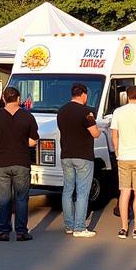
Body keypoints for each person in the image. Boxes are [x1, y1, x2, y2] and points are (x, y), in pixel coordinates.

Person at [0, 86, 39, 242]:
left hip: (1, 162)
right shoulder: (28, 117)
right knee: (21, 198)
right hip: (21, 161)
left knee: (3, 198)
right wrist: (20, 143)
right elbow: (33, 141)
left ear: (4, 99)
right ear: (19, 99)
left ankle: (4, 231)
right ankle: (21, 232)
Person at [57, 83, 101, 237]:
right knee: (82, 191)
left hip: (66, 155)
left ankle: (69, 225)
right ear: (83, 94)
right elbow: (95, 133)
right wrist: (99, 128)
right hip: (83, 156)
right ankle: (80, 227)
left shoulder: (61, 111)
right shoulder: (86, 111)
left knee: (68, 190)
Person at [111, 84, 136, 238]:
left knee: (124, 192)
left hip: (123, 156)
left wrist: (117, 151)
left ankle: (123, 228)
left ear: (127, 96)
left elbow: (114, 135)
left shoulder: (118, 112)